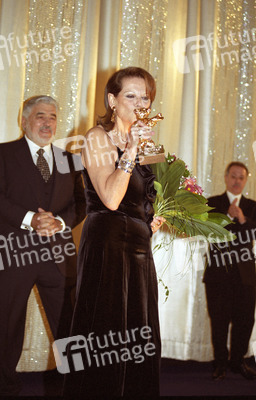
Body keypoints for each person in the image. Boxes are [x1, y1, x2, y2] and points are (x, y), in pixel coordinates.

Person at [63, 67, 164, 397]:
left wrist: (156, 217)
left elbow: (148, 199)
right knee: (105, 329)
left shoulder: (152, 146)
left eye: (144, 97)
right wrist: (132, 149)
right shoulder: (97, 137)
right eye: (130, 96)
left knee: (138, 332)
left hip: (138, 246)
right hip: (106, 241)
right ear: (112, 100)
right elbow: (109, 198)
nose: (138, 103)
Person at [0, 95, 86, 395]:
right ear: (25, 121)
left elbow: (81, 204)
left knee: (70, 332)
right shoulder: (3, 154)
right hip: (13, 258)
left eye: (52, 116)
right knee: (5, 329)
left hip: (59, 258)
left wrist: (59, 223)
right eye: (40, 115)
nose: (47, 122)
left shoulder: (71, 160)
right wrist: (30, 220)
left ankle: (72, 390)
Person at [203, 161, 256, 380]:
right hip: (218, 274)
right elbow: (207, 232)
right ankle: (221, 364)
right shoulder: (211, 203)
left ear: (245, 180)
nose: (236, 181)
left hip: (246, 276)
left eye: (241, 177)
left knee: (244, 320)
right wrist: (226, 216)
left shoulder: (253, 206)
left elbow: (253, 234)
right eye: (233, 176)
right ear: (225, 177)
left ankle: (238, 362)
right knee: (219, 320)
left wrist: (242, 219)